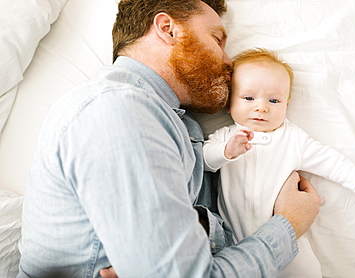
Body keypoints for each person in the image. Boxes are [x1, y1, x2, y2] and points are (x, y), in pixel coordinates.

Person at [17, 1, 321, 277]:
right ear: (168, 29)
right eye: (217, 40)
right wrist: (289, 224)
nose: (229, 63)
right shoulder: (120, 109)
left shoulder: (175, 124)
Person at [203, 48, 355, 278]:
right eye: (249, 98)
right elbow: (204, 161)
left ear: (286, 104)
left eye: (274, 100)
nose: (261, 107)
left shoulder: (293, 138)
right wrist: (226, 151)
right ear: (230, 102)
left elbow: (328, 160)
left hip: (290, 239)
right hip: (233, 242)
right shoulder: (225, 136)